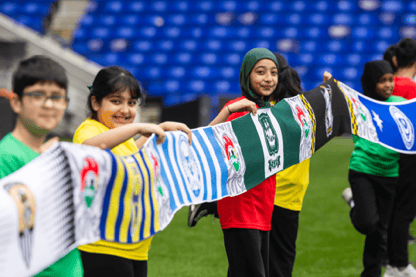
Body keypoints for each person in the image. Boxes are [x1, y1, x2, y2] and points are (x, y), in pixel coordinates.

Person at [73, 65, 192, 277]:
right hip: (104, 247)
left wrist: (161, 127)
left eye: (132, 103)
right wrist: (137, 128)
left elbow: (129, 158)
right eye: (116, 101)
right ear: (95, 102)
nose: (126, 110)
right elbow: (90, 149)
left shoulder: (123, 138)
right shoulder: (90, 129)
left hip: (135, 247)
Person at [0, 55, 83, 276]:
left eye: (57, 97)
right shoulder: (6, 155)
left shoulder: (55, 153)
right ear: (16, 102)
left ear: (65, 104)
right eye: (37, 95)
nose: (49, 104)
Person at [213, 48, 279, 277]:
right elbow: (210, 142)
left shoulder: (270, 110)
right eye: (260, 72)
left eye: (273, 72)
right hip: (240, 205)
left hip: (263, 205)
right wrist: (229, 110)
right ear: (246, 76)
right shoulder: (240, 109)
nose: (268, 78)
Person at [341, 60, 405, 277]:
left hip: (390, 174)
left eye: (390, 80)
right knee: (368, 223)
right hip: (363, 170)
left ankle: (371, 273)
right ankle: (353, 202)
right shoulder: (359, 105)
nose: (388, 85)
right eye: (382, 81)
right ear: (370, 82)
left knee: (380, 232)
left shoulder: (401, 105)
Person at [269, 54, 310, 277]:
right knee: (281, 263)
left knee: (248, 261)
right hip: (291, 197)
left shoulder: (264, 110)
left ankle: (215, 205)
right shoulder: (305, 109)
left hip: (266, 195)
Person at [382, 37, 416, 277]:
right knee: (404, 212)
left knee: (393, 211)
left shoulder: (385, 84)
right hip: (410, 156)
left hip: (386, 154)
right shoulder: (413, 89)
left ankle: (393, 263)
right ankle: (399, 264)